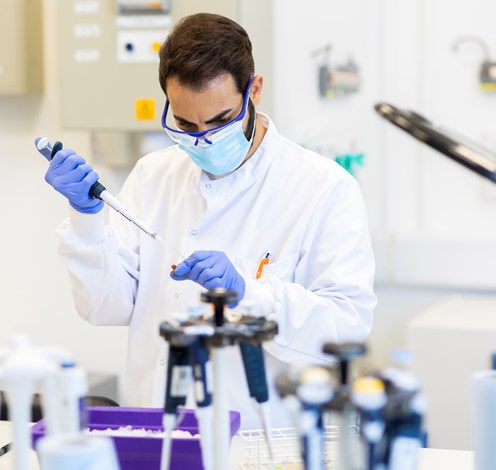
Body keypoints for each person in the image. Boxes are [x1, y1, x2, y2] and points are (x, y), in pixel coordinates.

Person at [42, 12, 376, 430]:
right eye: (185, 124)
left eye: (220, 121)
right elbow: (107, 305)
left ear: (254, 90)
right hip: (160, 435)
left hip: (265, 445)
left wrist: (247, 293)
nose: (203, 139)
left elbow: (346, 330)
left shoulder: (323, 188)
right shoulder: (154, 175)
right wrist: (87, 220)